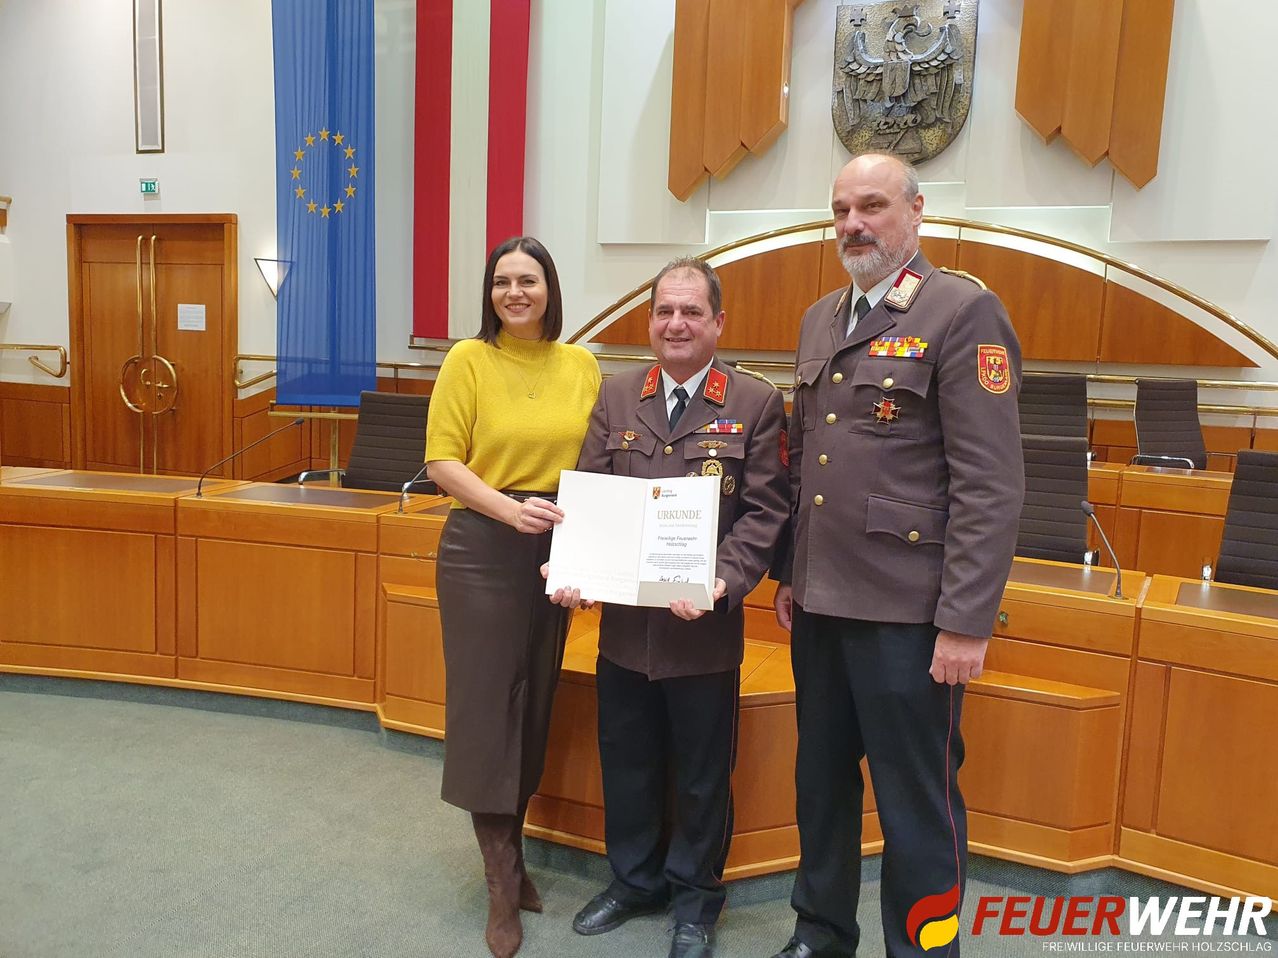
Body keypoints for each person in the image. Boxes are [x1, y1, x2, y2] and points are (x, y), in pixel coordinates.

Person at [766, 154, 1025, 958]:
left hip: (911, 616)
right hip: (821, 604)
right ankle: (821, 932)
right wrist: (787, 573)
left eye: (872, 205)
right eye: (841, 209)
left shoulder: (962, 312)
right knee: (822, 787)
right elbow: (804, 459)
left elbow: (991, 482)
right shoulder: (819, 318)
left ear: (917, 212)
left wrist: (966, 621)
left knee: (918, 804)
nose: (853, 224)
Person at [549, 257, 789, 958]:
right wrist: (575, 567)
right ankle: (634, 881)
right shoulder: (619, 395)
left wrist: (723, 579)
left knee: (701, 773)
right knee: (626, 760)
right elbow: (591, 496)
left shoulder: (753, 402)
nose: (675, 323)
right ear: (649, 321)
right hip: (626, 630)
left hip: (701, 634)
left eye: (691, 312)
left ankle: (694, 899)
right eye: (664, 311)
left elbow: (767, 513)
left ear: (718, 322)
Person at [425, 235, 601, 958]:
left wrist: (591, 546)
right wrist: (507, 509)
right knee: (486, 712)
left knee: (533, 706)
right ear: (490, 293)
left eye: (528, 280)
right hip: (484, 549)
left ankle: (515, 855)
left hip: (557, 547)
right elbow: (441, 460)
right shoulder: (469, 360)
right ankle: (501, 885)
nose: (515, 293)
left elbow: (603, 461)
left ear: (551, 289)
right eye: (502, 282)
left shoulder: (582, 364)